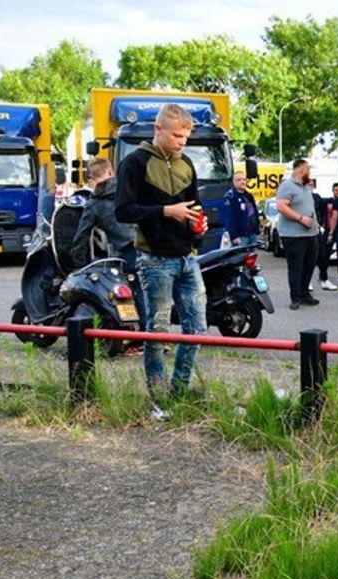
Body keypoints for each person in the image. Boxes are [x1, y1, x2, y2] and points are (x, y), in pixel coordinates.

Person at [115, 103, 207, 401]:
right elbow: (123, 211)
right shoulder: (134, 163)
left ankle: (179, 392)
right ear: (158, 129)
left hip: (187, 257)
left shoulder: (187, 164)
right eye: (177, 135)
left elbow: (193, 208)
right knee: (158, 332)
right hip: (153, 258)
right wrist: (167, 211)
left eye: (186, 136)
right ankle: (159, 399)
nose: (183, 142)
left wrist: (199, 225)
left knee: (197, 329)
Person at [72, 157, 144, 322]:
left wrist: (79, 264)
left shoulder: (94, 204)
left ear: (91, 177)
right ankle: (160, 336)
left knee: (134, 291)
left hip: (127, 251)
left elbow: (82, 236)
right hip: (150, 244)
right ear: (111, 171)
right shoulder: (130, 188)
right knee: (152, 291)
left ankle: (144, 337)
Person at [274, 159, 322, 310]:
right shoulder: (287, 186)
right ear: (300, 170)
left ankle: (304, 293)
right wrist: (300, 218)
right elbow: (281, 206)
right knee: (296, 267)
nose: (310, 173)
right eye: (308, 170)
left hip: (311, 234)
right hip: (293, 235)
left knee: (310, 264)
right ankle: (295, 298)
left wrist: (315, 223)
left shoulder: (306, 187)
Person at [220, 171, 260, 247]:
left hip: (252, 235)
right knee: (240, 258)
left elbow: (255, 212)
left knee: (252, 258)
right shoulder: (230, 197)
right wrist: (234, 236)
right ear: (234, 182)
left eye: (244, 180)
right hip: (241, 237)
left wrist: (257, 231)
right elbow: (228, 219)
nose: (243, 182)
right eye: (239, 180)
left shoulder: (249, 196)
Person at [312, 181, 338, 291]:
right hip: (302, 231)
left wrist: (321, 224)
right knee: (308, 258)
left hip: (316, 229)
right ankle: (307, 282)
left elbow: (321, 211)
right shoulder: (296, 197)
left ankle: (324, 279)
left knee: (322, 255)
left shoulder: (316, 197)